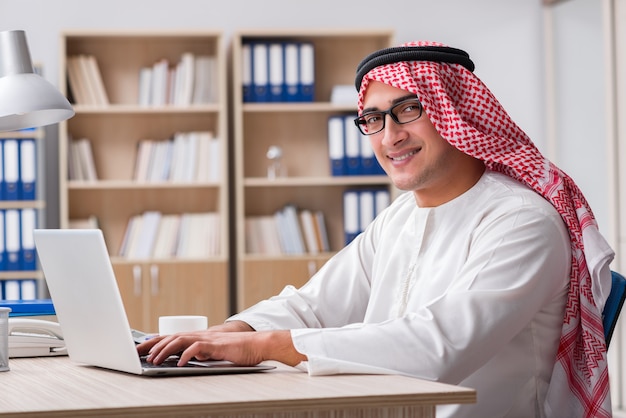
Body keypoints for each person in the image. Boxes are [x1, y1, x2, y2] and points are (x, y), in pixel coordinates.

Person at [138, 41, 615, 418]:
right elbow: (314, 304)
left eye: (409, 110)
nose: (390, 136)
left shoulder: (521, 222)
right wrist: (229, 333)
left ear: (457, 115)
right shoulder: (400, 217)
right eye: (373, 119)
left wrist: (267, 345)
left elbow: (438, 348)